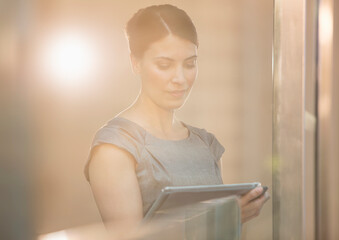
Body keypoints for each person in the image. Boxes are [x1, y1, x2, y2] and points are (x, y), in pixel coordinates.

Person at [84, 4, 269, 239]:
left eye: (190, 64)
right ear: (136, 63)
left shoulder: (205, 144)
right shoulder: (115, 146)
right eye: (164, 65)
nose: (180, 79)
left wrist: (235, 214)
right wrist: (226, 215)